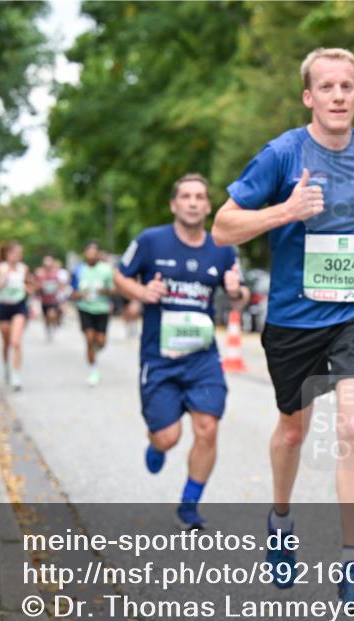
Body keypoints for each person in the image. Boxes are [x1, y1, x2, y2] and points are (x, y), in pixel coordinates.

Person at [212, 47, 354, 611]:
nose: (339, 96)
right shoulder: (281, 154)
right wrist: (286, 211)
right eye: (326, 87)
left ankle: (352, 565)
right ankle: (280, 520)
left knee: (352, 425)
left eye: (347, 86)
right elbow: (225, 227)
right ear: (309, 97)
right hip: (295, 320)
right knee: (294, 432)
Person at [115, 173, 248, 530]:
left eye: (199, 197)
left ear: (207, 206)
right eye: (185, 196)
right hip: (159, 358)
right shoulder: (150, 242)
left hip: (202, 358)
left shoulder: (222, 248)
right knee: (169, 436)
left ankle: (189, 505)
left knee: (207, 428)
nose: (192, 202)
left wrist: (236, 291)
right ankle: (156, 445)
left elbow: (242, 297)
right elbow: (120, 275)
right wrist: (141, 293)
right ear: (174, 204)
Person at [0, 241, 32, 391]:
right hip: (3, 307)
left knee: (16, 342)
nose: (18, 256)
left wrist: (27, 288)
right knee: (6, 343)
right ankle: (6, 366)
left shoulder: (23, 268)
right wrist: (2, 282)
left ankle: (16, 375)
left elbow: (30, 287)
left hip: (19, 306)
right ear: (7, 254)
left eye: (20, 253)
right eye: (15, 253)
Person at [72, 242, 115, 386]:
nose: (91, 255)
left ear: (98, 254)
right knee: (89, 339)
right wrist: (80, 294)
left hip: (102, 308)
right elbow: (72, 291)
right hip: (85, 308)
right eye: (89, 252)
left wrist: (103, 290)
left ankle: (94, 351)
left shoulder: (106, 270)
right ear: (85, 254)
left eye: (94, 253)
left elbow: (114, 290)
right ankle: (93, 370)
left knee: (101, 341)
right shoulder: (79, 270)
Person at [35, 255, 64, 341]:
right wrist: (40, 286)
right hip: (44, 300)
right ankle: (48, 327)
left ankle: (54, 323)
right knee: (46, 317)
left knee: (52, 314)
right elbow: (36, 286)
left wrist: (59, 290)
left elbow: (60, 285)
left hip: (53, 300)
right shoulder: (40, 274)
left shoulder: (55, 274)